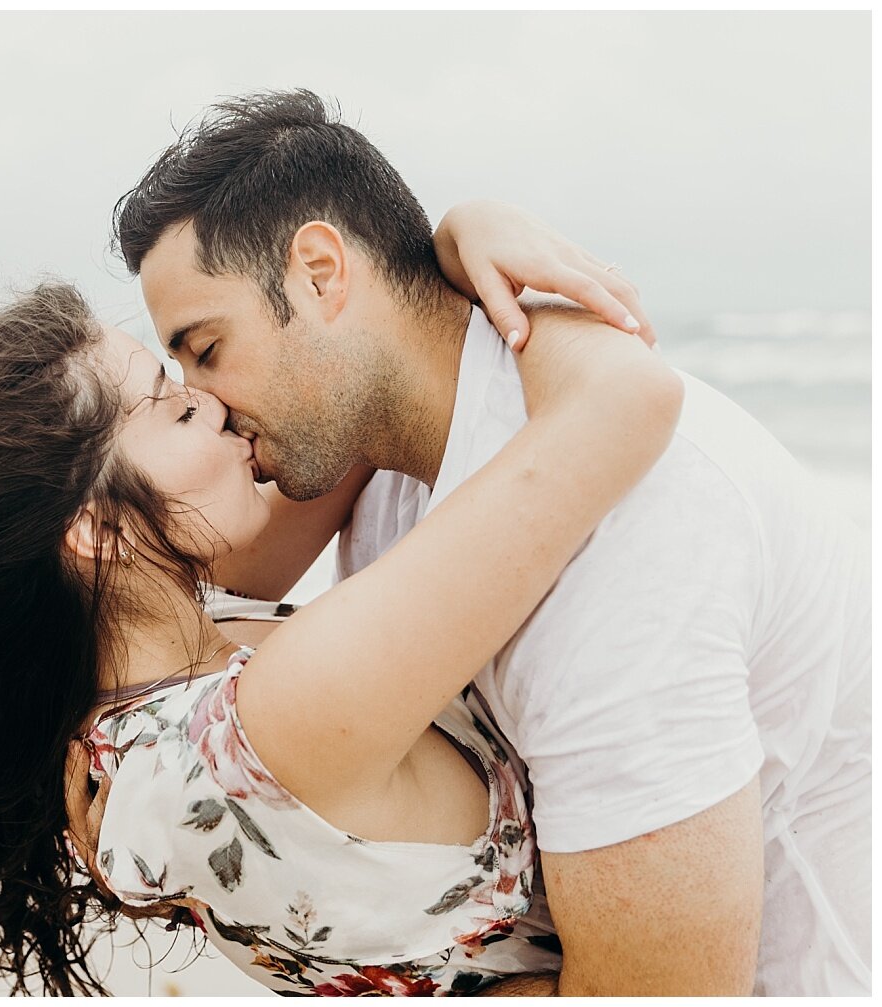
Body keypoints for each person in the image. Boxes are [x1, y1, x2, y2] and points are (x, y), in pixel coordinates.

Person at [0, 204, 670, 996]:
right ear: (97, 531)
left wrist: (441, 240)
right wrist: (488, 282)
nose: (210, 398)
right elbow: (627, 400)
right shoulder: (264, 726)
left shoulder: (132, 718)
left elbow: (354, 401)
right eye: (167, 401)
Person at [109, 89, 870, 996]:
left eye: (206, 347)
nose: (212, 404)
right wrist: (462, 225)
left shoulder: (623, 542)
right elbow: (166, 574)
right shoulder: (384, 454)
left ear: (320, 274)